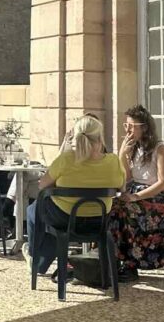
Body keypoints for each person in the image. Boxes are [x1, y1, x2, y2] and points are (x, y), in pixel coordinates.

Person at [24, 115, 124, 277]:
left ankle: (35, 257)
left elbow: (42, 185)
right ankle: (39, 261)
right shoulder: (113, 161)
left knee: (33, 210)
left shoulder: (66, 159)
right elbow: (122, 187)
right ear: (100, 138)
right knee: (51, 222)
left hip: (65, 219)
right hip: (99, 221)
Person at [109, 105, 164, 281]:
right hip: (136, 193)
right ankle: (113, 260)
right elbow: (129, 177)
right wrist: (122, 154)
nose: (128, 130)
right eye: (126, 126)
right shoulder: (136, 148)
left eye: (131, 126)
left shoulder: (160, 148)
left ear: (144, 127)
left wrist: (136, 196)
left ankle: (131, 265)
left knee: (126, 210)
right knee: (110, 208)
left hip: (157, 198)